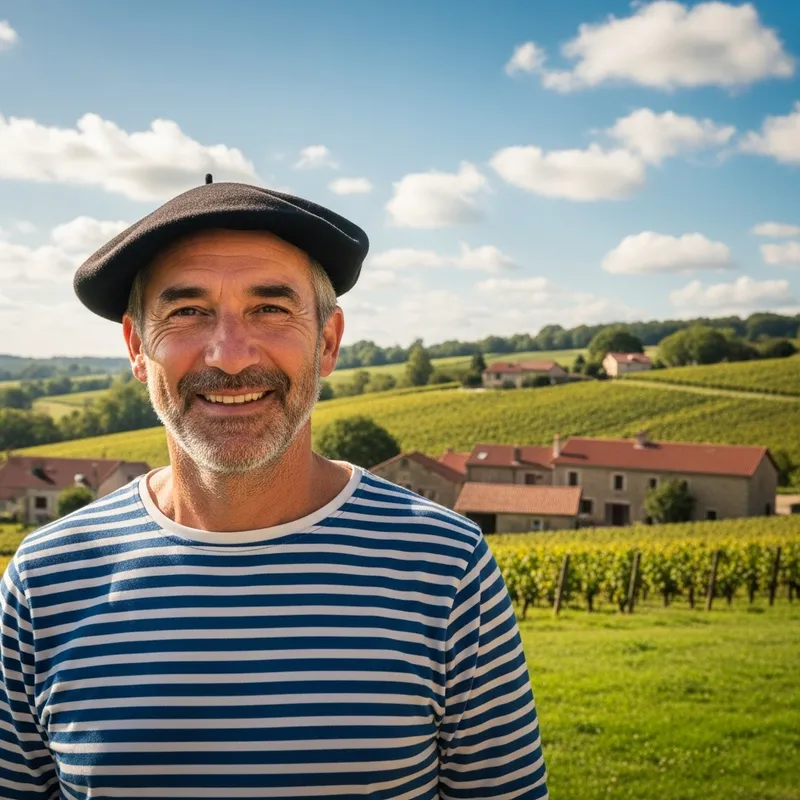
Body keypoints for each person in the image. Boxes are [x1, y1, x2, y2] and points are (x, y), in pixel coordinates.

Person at [0, 178, 549, 799]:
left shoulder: (444, 566)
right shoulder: (44, 581)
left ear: (328, 342)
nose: (230, 357)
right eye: (187, 312)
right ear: (135, 346)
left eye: (270, 309)